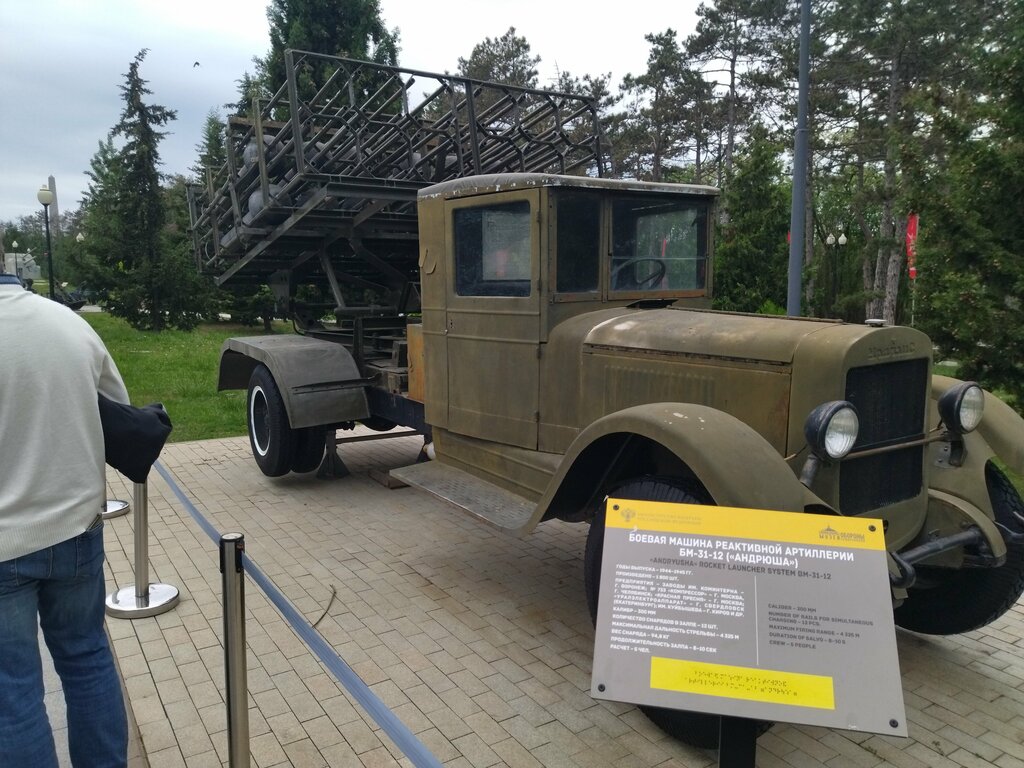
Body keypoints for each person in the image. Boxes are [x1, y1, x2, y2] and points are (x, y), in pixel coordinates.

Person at [0, 271, 129, 766]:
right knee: (87, 659)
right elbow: (119, 411)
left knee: (12, 693)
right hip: (75, 531)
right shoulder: (68, 325)